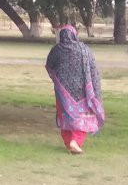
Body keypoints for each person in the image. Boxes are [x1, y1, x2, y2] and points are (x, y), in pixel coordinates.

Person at [45, 24, 105, 154]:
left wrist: (56, 78)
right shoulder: (84, 49)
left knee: (65, 115)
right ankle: (75, 142)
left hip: (62, 91)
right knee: (82, 116)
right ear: (74, 34)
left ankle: (69, 143)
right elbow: (93, 69)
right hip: (82, 91)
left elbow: (49, 66)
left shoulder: (57, 50)